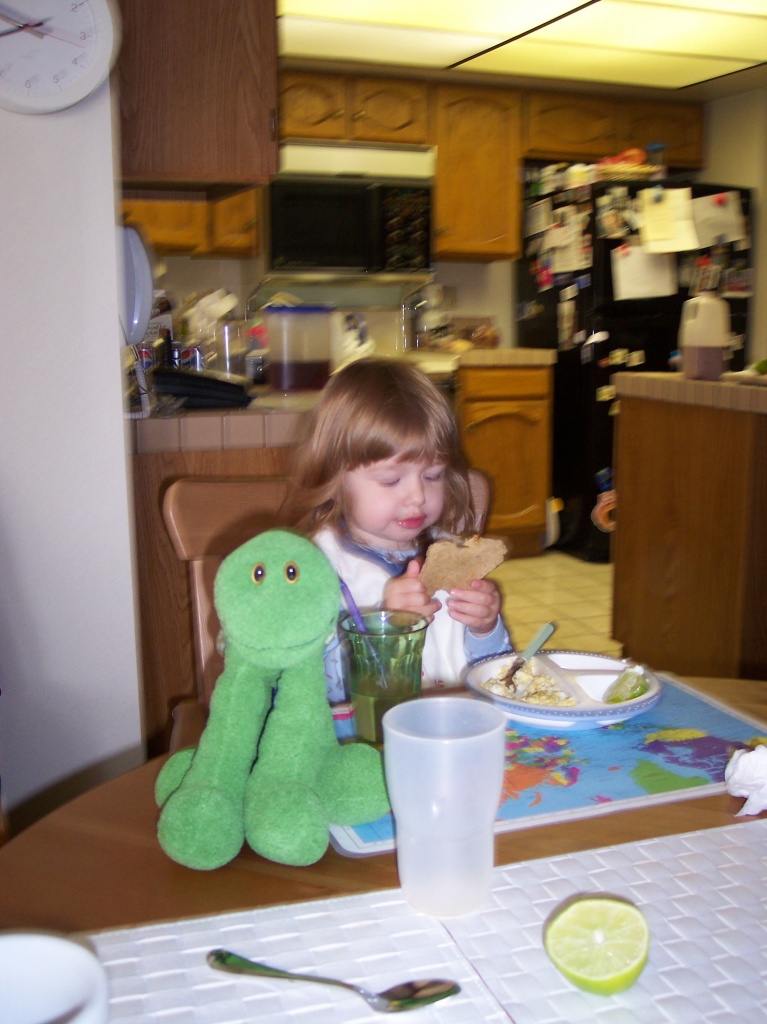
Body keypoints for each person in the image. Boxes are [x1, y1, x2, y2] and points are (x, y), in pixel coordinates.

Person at [285, 357, 513, 720]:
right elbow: (313, 691)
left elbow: (498, 676)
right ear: (335, 478)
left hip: (453, 728)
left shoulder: (450, 553)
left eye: (433, 475)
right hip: (365, 741)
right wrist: (385, 630)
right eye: (391, 480)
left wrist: (485, 628)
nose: (418, 496)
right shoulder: (316, 568)